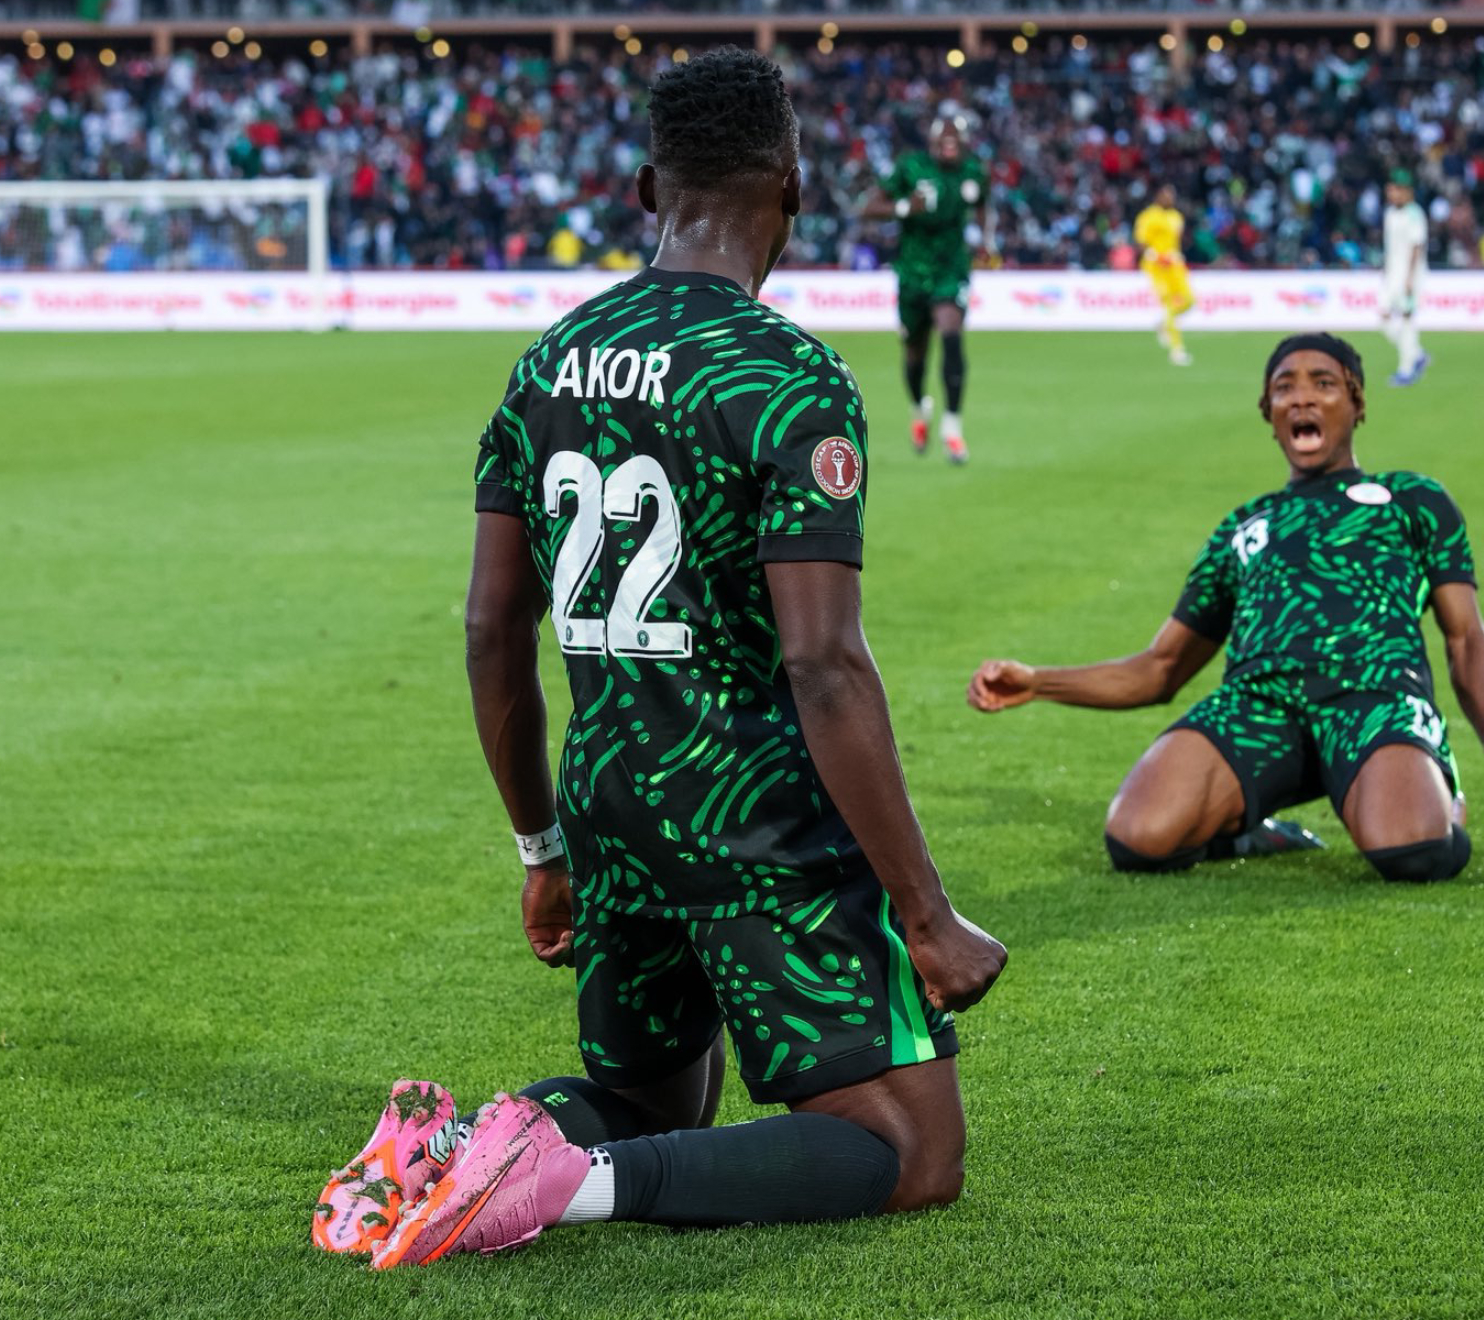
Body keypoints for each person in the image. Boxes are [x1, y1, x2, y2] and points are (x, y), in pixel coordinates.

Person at [311, 47, 1007, 1269]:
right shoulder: (786, 377)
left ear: (647, 191)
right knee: (910, 1149)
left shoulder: (547, 364)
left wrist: (543, 848)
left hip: (611, 801)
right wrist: (925, 912)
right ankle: (554, 1186)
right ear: (792, 189)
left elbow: (489, 628)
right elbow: (825, 667)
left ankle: (444, 1155)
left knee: (652, 1102)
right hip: (751, 815)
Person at [966, 333, 1484, 883]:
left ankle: (1436, 790)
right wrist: (1038, 682)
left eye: (1324, 383)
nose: (1303, 398)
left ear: (1357, 403)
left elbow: (1466, 637)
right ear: (1269, 413)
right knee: (1138, 838)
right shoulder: (1242, 527)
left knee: (1411, 852)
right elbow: (1160, 668)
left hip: (1375, 698)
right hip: (1259, 706)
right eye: (1285, 387)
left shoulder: (1412, 499)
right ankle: (1247, 831)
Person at [863, 112, 993, 464]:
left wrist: (985, 240)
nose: (949, 144)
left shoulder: (974, 171)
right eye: (943, 138)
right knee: (914, 353)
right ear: (933, 142)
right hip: (912, 271)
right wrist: (905, 207)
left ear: (963, 144)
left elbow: (982, 205)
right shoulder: (910, 167)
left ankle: (952, 426)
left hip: (951, 268)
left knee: (951, 332)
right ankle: (920, 409)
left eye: (956, 139)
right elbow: (869, 208)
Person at [1133, 183, 1195, 367]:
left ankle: (1163, 323)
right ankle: (1177, 349)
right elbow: (1142, 242)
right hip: (1156, 266)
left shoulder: (1176, 217)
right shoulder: (1148, 216)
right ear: (1158, 196)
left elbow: (1176, 241)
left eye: (1172, 195)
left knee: (1189, 301)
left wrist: (1175, 255)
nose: (1171, 198)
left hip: (1175, 265)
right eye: (1167, 195)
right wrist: (1154, 255)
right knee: (1170, 302)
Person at [1381, 170, 1429, 386]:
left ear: (1406, 191)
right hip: (1392, 274)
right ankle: (1417, 354)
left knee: (1407, 317)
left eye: (1395, 189)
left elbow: (1417, 246)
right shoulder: (1390, 213)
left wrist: (1410, 277)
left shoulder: (1414, 214)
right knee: (1383, 318)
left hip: (1410, 275)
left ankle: (1406, 369)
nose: (1391, 194)